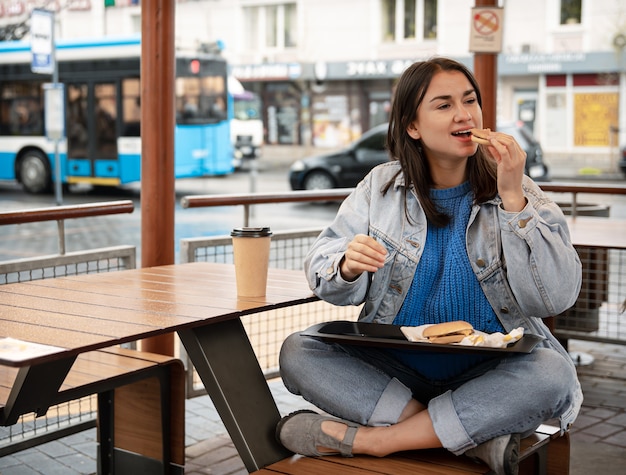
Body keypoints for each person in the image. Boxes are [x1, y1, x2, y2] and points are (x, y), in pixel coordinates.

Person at [275, 57, 583, 475]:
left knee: (552, 374)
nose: (464, 114)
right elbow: (323, 269)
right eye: (444, 105)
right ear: (412, 126)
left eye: (470, 100)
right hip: (397, 373)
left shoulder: (517, 187)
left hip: (492, 372)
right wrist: (346, 266)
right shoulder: (379, 188)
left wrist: (515, 202)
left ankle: (377, 442)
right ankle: (469, 439)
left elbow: (556, 297)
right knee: (298, 350)